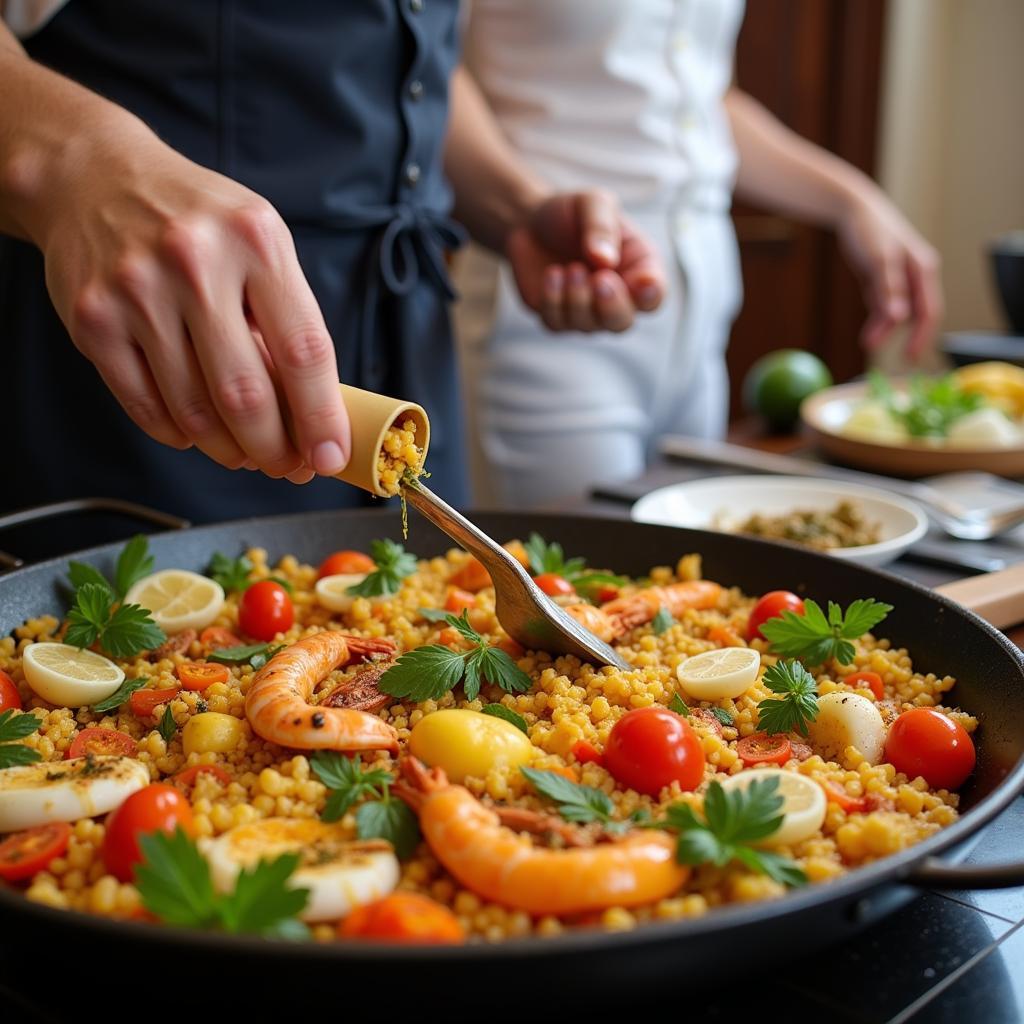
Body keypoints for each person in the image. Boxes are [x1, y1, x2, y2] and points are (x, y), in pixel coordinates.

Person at [0, 1, 667, 523]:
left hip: (407, 340)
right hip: (154, 363)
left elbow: (397, 55)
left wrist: (515, 206)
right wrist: (78, 161)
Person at [454, 0, 944, 508]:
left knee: (685, 571)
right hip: (559, 292)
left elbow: (702, 99)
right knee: (572, 577)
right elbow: (426, 73)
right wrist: (523, 209)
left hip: (702, 307)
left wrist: (852, 200)